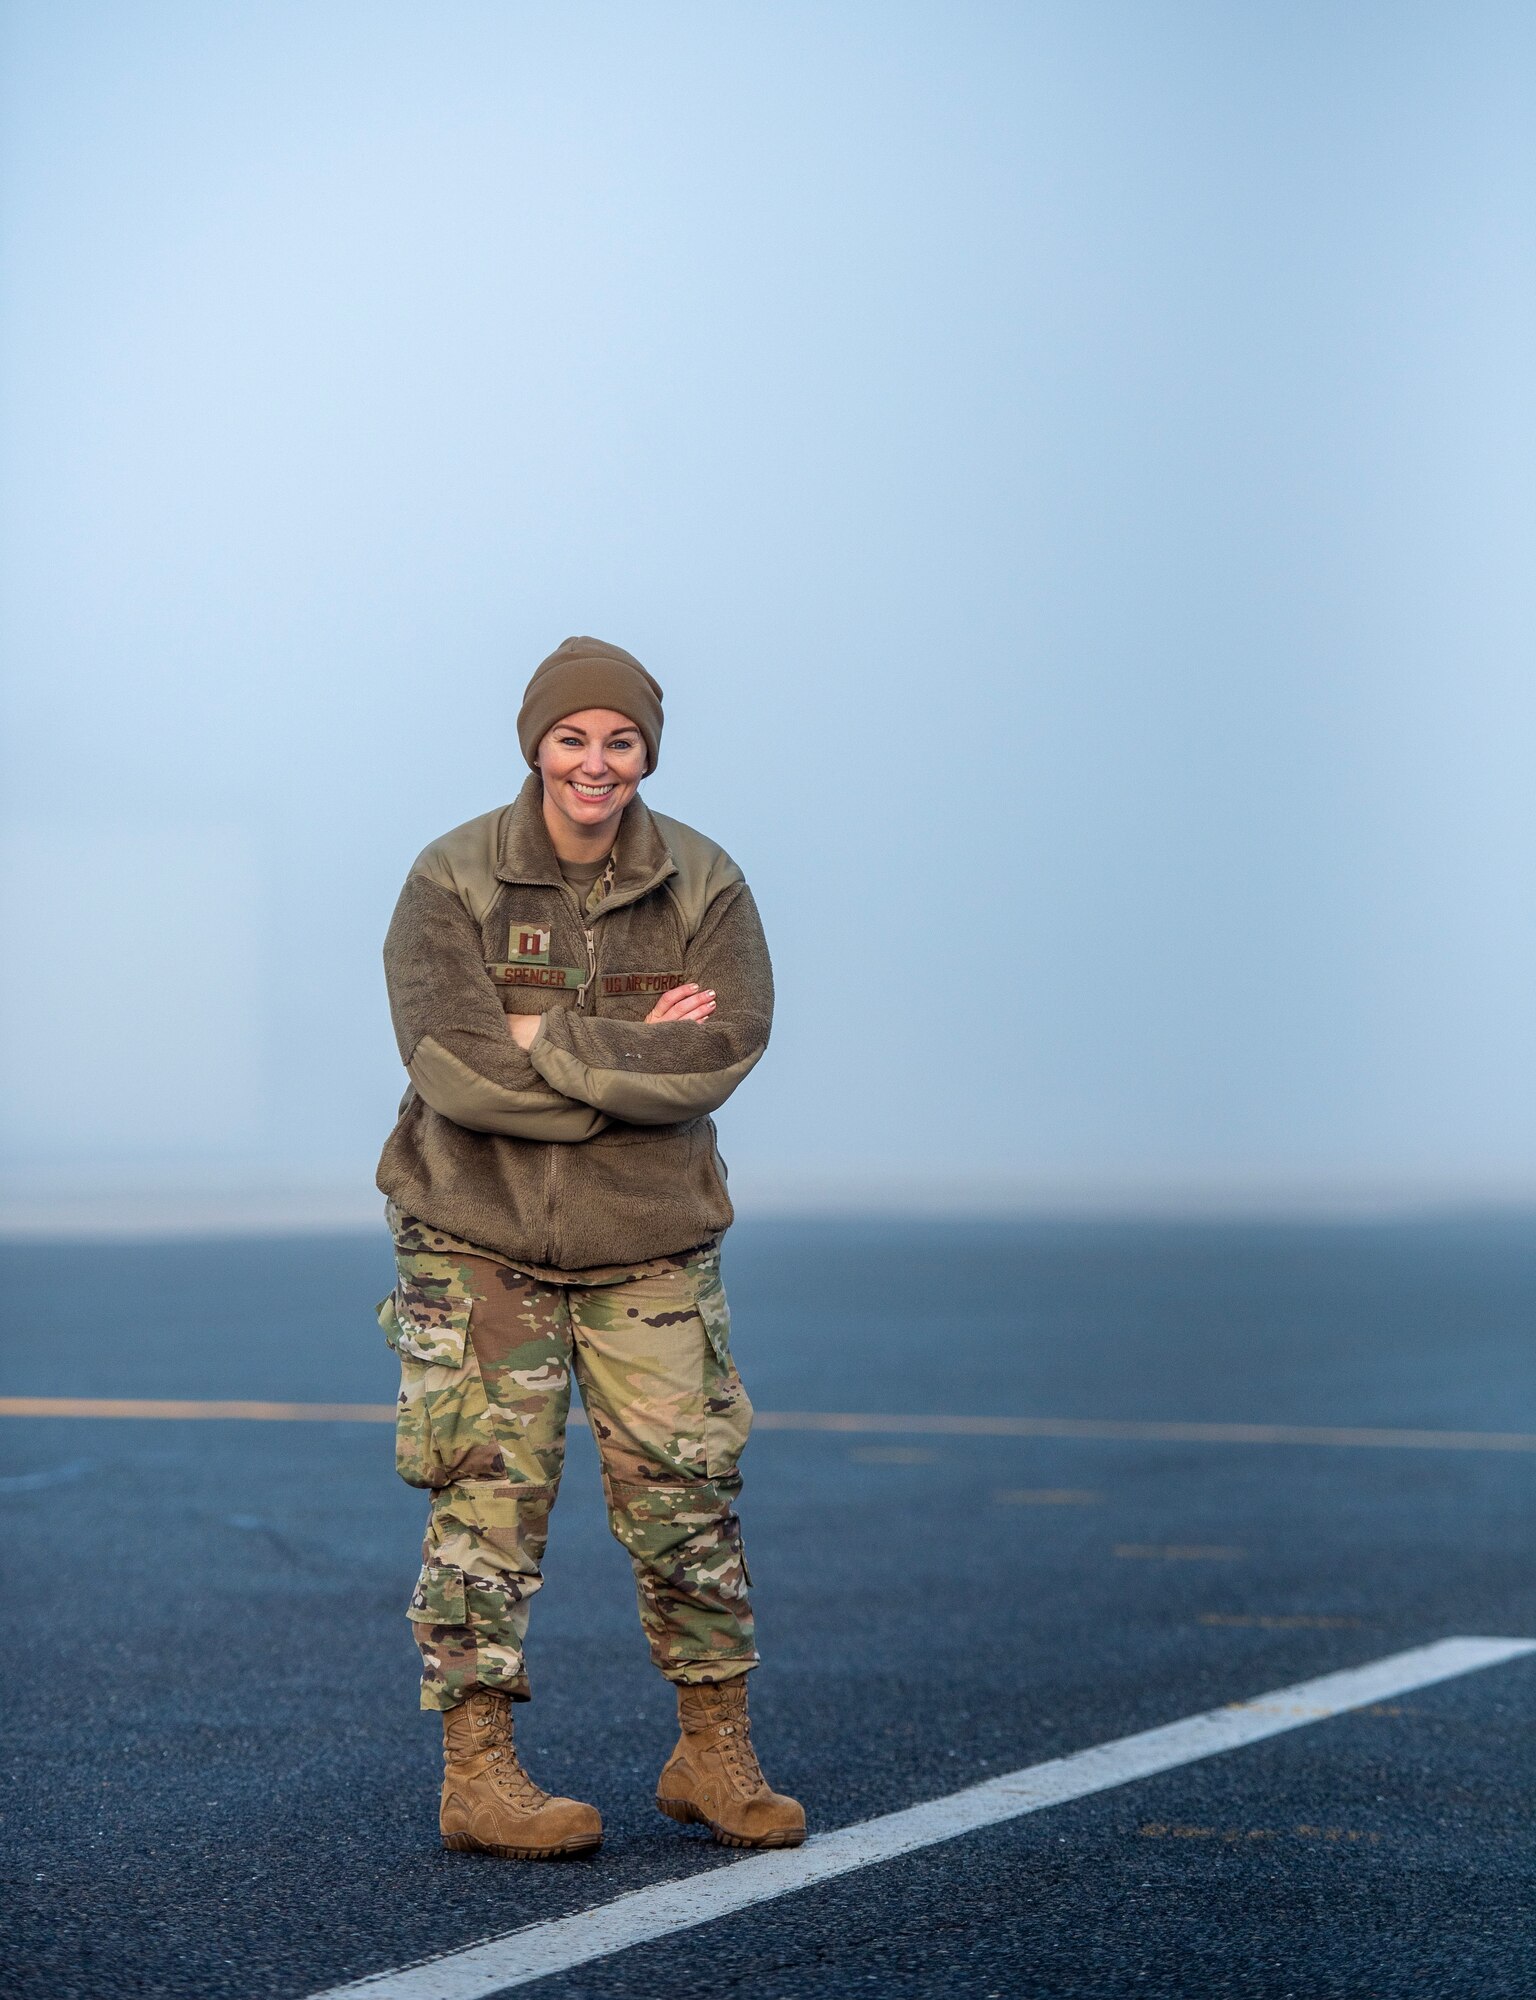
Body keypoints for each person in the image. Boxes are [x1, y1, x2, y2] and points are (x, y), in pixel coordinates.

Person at [376, 635, 804, 1860]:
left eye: (620, 740)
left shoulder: (704, 882)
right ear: (537, 744)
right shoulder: (449, 878)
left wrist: (546, 1032)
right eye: (573, 738)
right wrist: (620, 1049)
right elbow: (453, 1064)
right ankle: (478, 1774)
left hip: (650, 1240)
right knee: (487, 1499)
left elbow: (725, 1046)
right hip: (479, 1237)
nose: (595, 762)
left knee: (690, 1495)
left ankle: (710, 1751)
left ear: (646, 752)